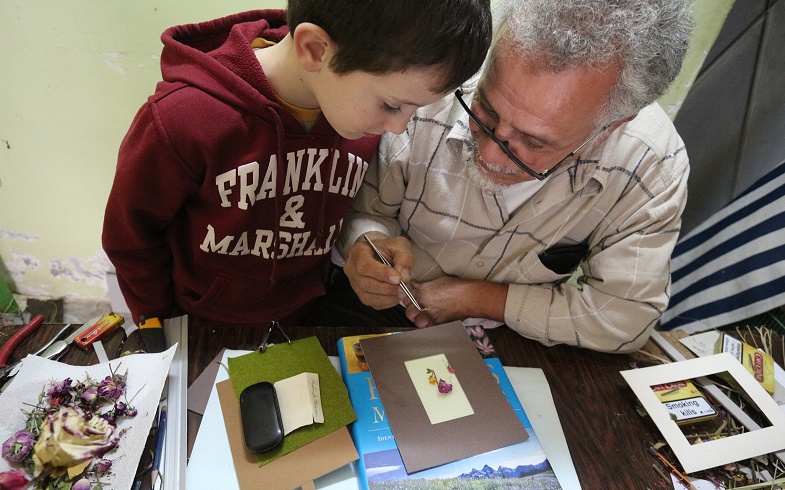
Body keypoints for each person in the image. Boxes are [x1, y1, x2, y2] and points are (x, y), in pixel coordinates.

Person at [102, 1, 492, 326]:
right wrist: (160, 324)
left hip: (311, 320)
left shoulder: (355, 114)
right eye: (392, 105)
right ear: (314, 50)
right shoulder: (183, 119)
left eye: (415, 109)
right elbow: (131, 237)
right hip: (202, 327)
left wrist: (369, 245)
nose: (399, 128)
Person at [334, 0, 694, 353]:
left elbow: (623, 318)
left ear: (608, 129)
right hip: (374, 314)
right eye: (485, 110)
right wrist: (366, 245)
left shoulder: (649, 164)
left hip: (520, 338)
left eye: (534, 142)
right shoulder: (432, 81)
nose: (490, 156)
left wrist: (481, 299)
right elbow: (365, 211)